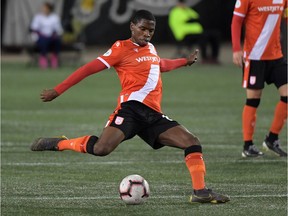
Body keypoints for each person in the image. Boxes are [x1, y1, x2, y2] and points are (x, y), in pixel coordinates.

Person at [31, 10, 230, 204]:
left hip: (153, 115)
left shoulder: (151, 49)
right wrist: (58, 90)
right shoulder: (120, 48)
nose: (147, 34)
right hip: (131, 110)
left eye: (150, 31)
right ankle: (60, 144)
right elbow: (87, 69)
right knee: (101, 148)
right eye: (143, 29)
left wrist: (184, 62)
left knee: (191, 142)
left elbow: (159, 64)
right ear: (132, 27)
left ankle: (200, 192)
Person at [231, 0, 287, 157]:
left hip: (277, 56)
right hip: (254, 56)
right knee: (254, 98)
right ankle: (247, 145)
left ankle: (272, 139)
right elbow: (236, 21)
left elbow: (286, 16)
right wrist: (236, 49)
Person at [30, 2, 63, 69]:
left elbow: (59, 29)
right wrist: (35, 38)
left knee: (57, 41)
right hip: (41, 37)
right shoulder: (38, 17)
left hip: (51, 37)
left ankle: (54, 58)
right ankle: (43, 58)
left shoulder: (54, 17)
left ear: (49, 9)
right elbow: (34, 29)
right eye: (43, 8)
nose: (44, 9)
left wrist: (56, 34)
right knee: (43, 42)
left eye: (45, 8)